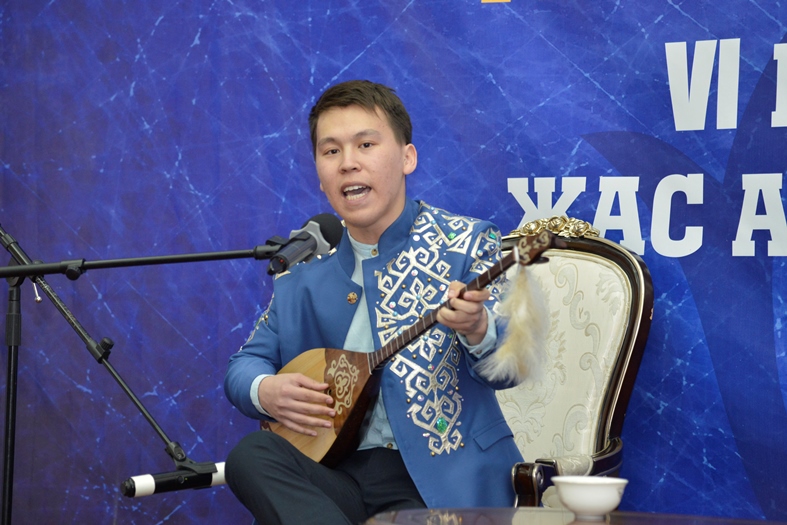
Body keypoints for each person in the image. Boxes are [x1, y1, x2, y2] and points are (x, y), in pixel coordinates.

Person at [223, 80, 528, 525]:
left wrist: (477, 328)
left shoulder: (466, 244)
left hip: (440, 480)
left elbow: (511, 366)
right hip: (337, 478)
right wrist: (265, 391)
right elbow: (243, 366)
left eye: (365, 144)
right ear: (320, 175)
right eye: (331, 151)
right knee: (251, 456)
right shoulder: (304, 277)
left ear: (407, 157)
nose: (348, 163)